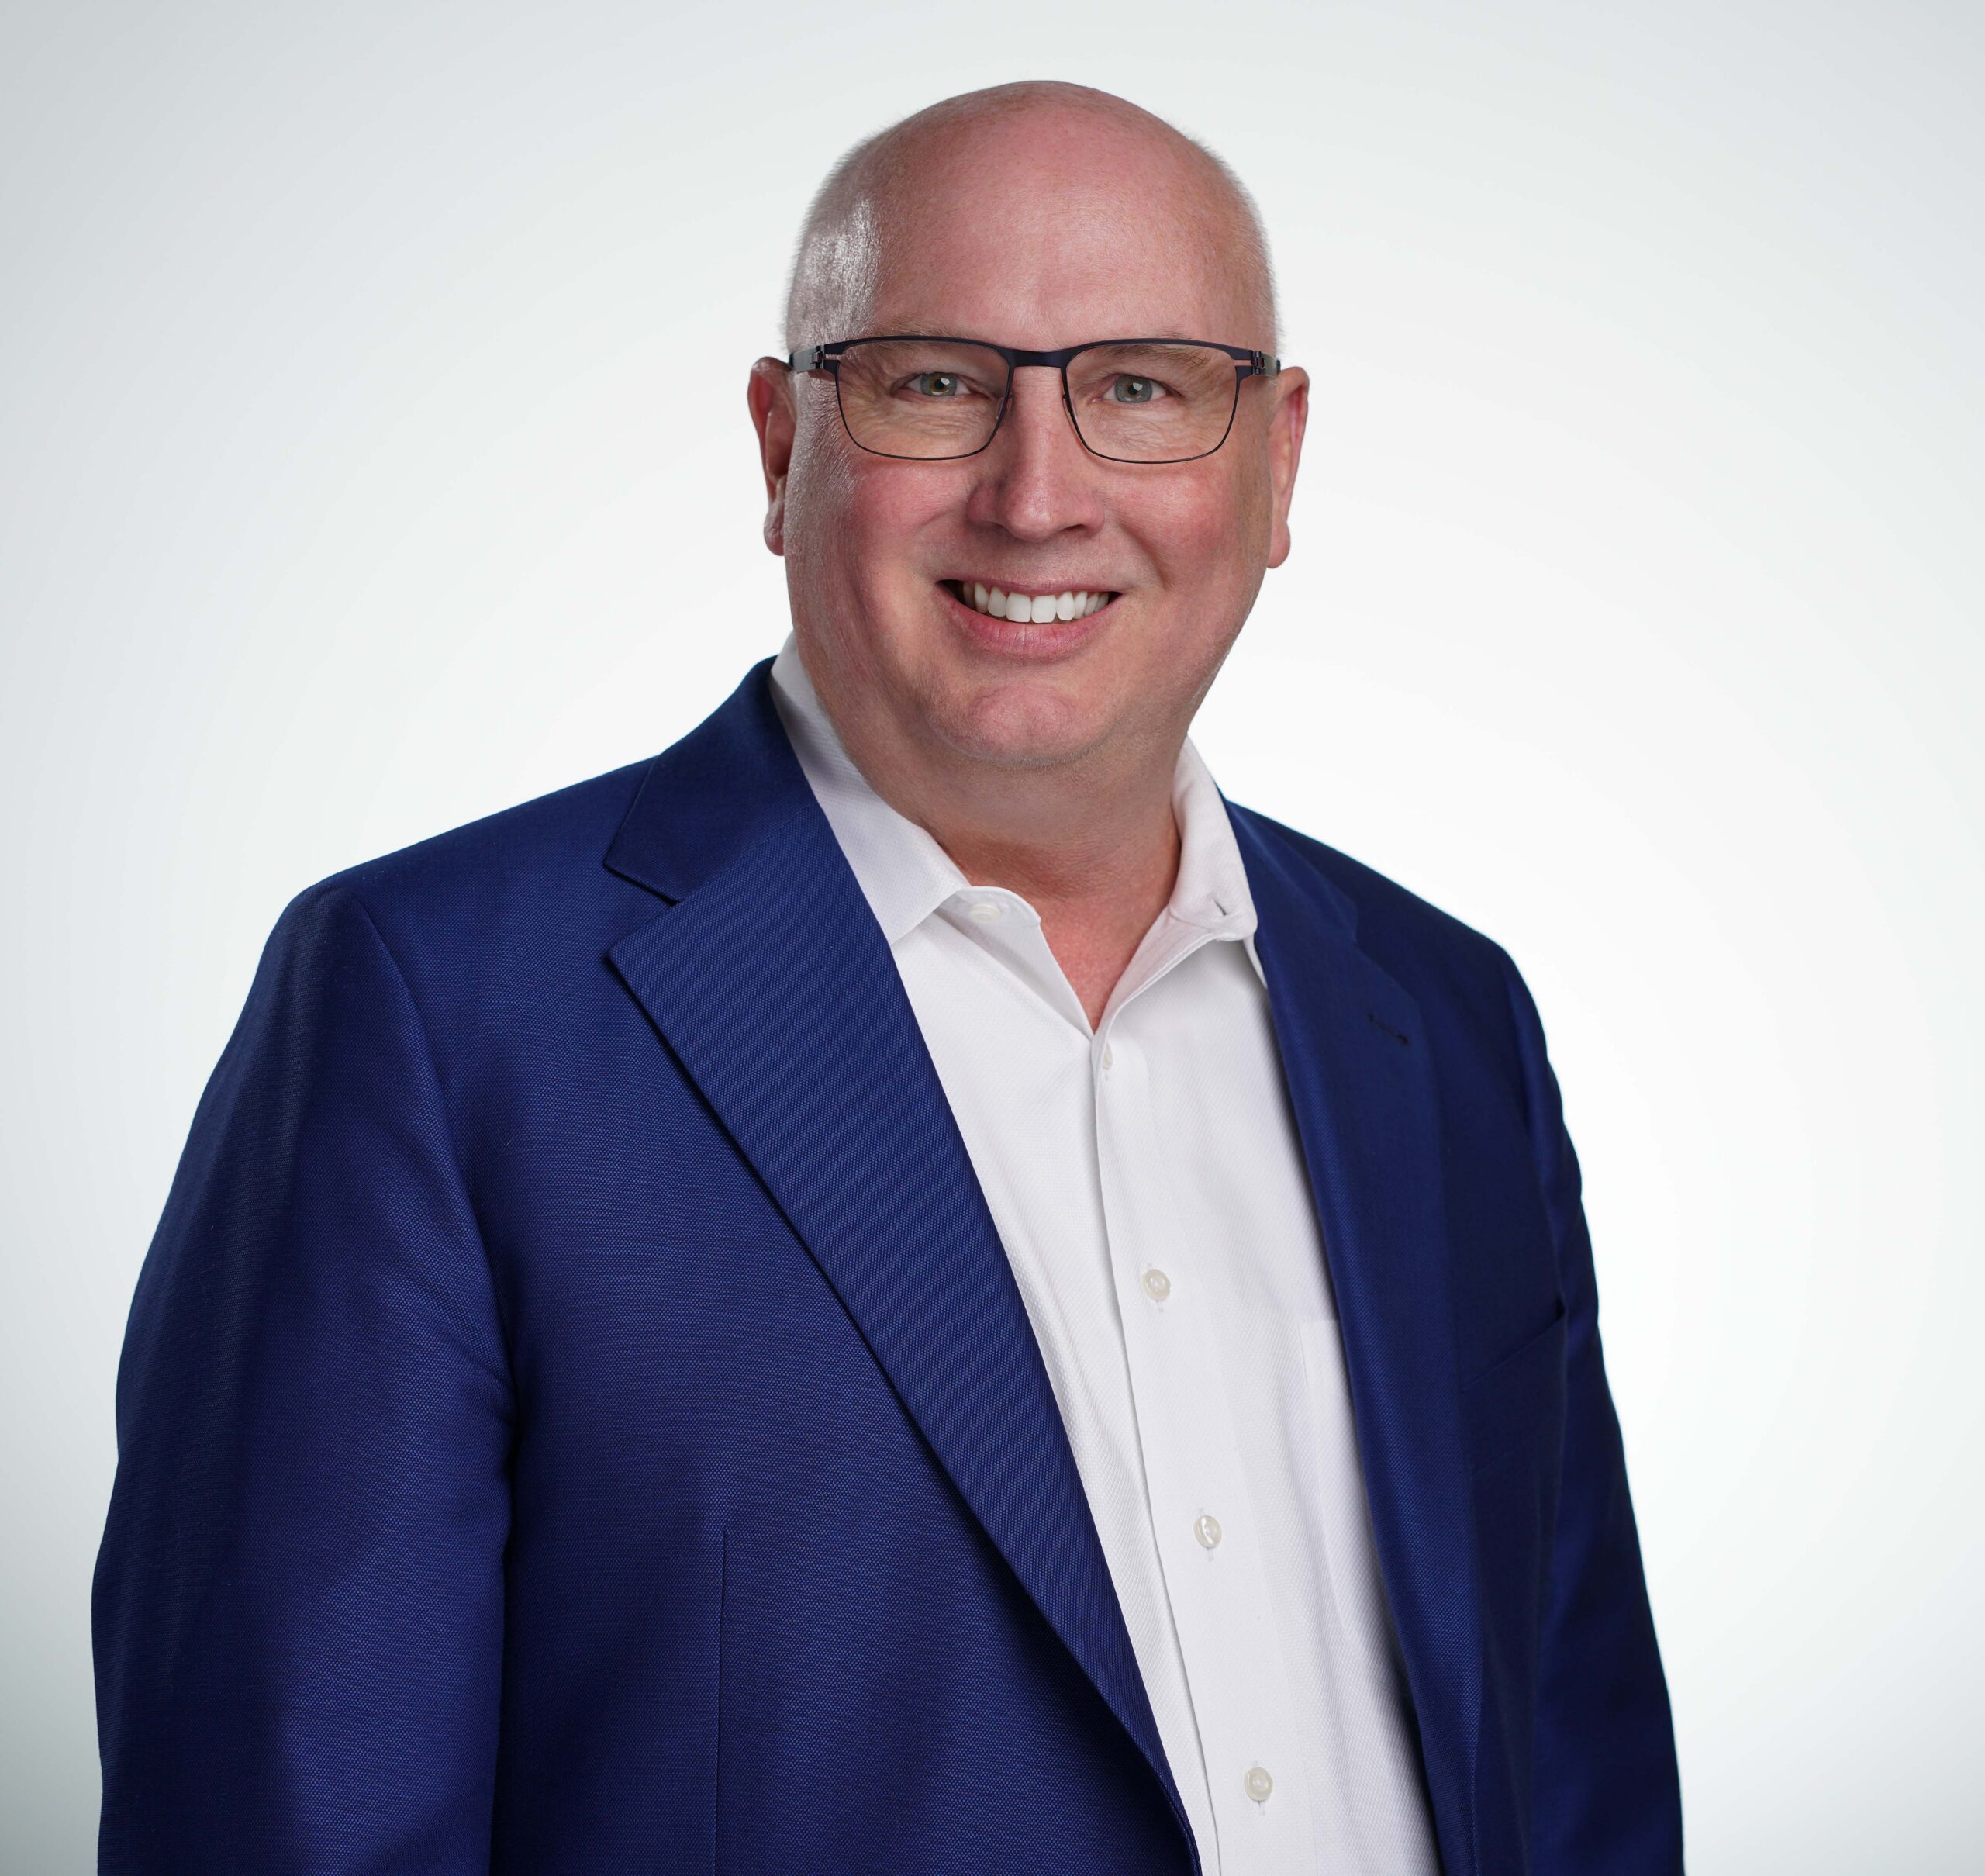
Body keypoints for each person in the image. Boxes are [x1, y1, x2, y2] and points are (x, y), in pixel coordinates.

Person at [92, 80, 1682, 1876]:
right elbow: (290, 1819)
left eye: (1141, 386)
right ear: (782, 448)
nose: (1036, 492)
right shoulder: (433, 1016)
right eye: (934, 380)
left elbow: (1575, 1777)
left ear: (1278, 461)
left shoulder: (1443, 1024)